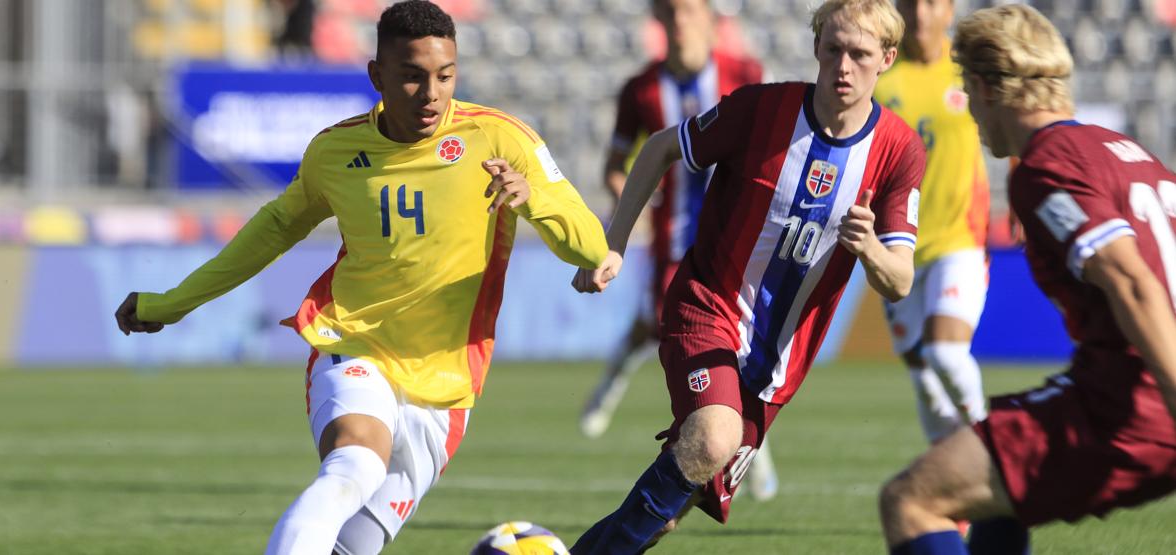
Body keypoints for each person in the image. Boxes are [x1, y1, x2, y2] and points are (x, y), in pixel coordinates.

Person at [113, 2, 608, 554]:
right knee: (354, 466)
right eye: (412, 76)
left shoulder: (500, 139)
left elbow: (589, 244)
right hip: (354, 343)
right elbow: (271, 232)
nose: (431, 94)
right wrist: (172, 303)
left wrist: (533, 198)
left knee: (354, 547)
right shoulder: (335, 151)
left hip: (446, 386)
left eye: (445, 76)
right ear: (377, 75)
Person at [569, 0, 925, 552]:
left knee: (666, 510)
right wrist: (613, 242)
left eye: (860, 54)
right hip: (705, 306)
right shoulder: (763, 109)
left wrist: (871, 248)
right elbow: (662, 147)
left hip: (777, 363)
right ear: (816, 48)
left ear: (887, 58)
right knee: (713, 438)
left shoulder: (899, 151)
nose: (844, 67)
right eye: (833, 50)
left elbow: (899, 280)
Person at [879, 6, 1176, 555]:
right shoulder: (1127, 153)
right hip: (1140, 388)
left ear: (990, 89)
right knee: (995, 481)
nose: (968, 108)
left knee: (910, 501)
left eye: (968, 87)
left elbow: (1131, 281)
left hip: (1136, 399)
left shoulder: (1047, 164)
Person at [579, 0, 778, 503]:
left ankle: (747, 449)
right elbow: (615, 164)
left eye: (690, 9)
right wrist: (631, 199)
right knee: (662, 328)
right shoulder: (641, 89)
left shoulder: (745, 74)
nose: (681, 19)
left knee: (738, 342)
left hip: (737, 236)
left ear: (711, 17)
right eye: (670, 10)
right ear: (658, 19)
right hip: (673, 241)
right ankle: (615, 387)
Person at [872, 0, 990, 446]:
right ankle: (954, 493)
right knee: (925, 380)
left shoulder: (970, 70)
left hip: (959, 240)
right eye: (909, 3)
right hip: (895, 248)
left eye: (931, 3)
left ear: (950, 10)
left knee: (945, 352)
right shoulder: (880, 76)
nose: (919, 14)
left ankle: (988, 445)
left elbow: (1016, 118)